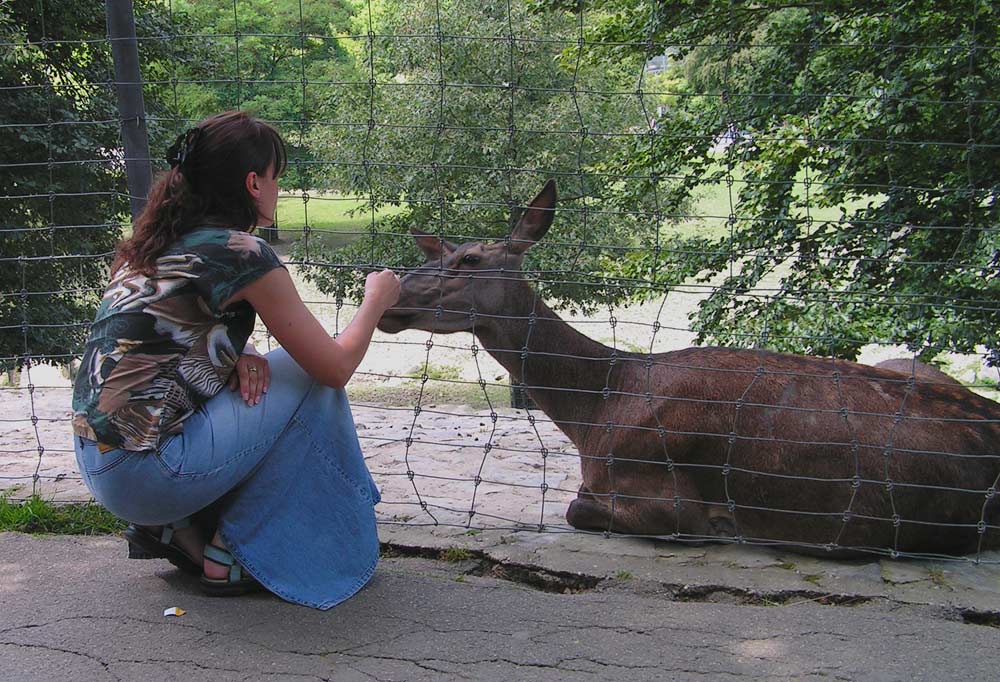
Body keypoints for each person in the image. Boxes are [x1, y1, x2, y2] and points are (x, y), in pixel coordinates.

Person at [71, 111, 400, 609]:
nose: (278, 189)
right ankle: (233, 553)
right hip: (148, 474)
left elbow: (154, 341)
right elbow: (333, 367)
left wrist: (238, 350)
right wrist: (375, 299)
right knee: (309, 380)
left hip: (98, 466)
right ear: (252, 182)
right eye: (275, 177)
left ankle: (181, 527)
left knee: (271, 371)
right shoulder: (243, 254)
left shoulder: (147, 245)